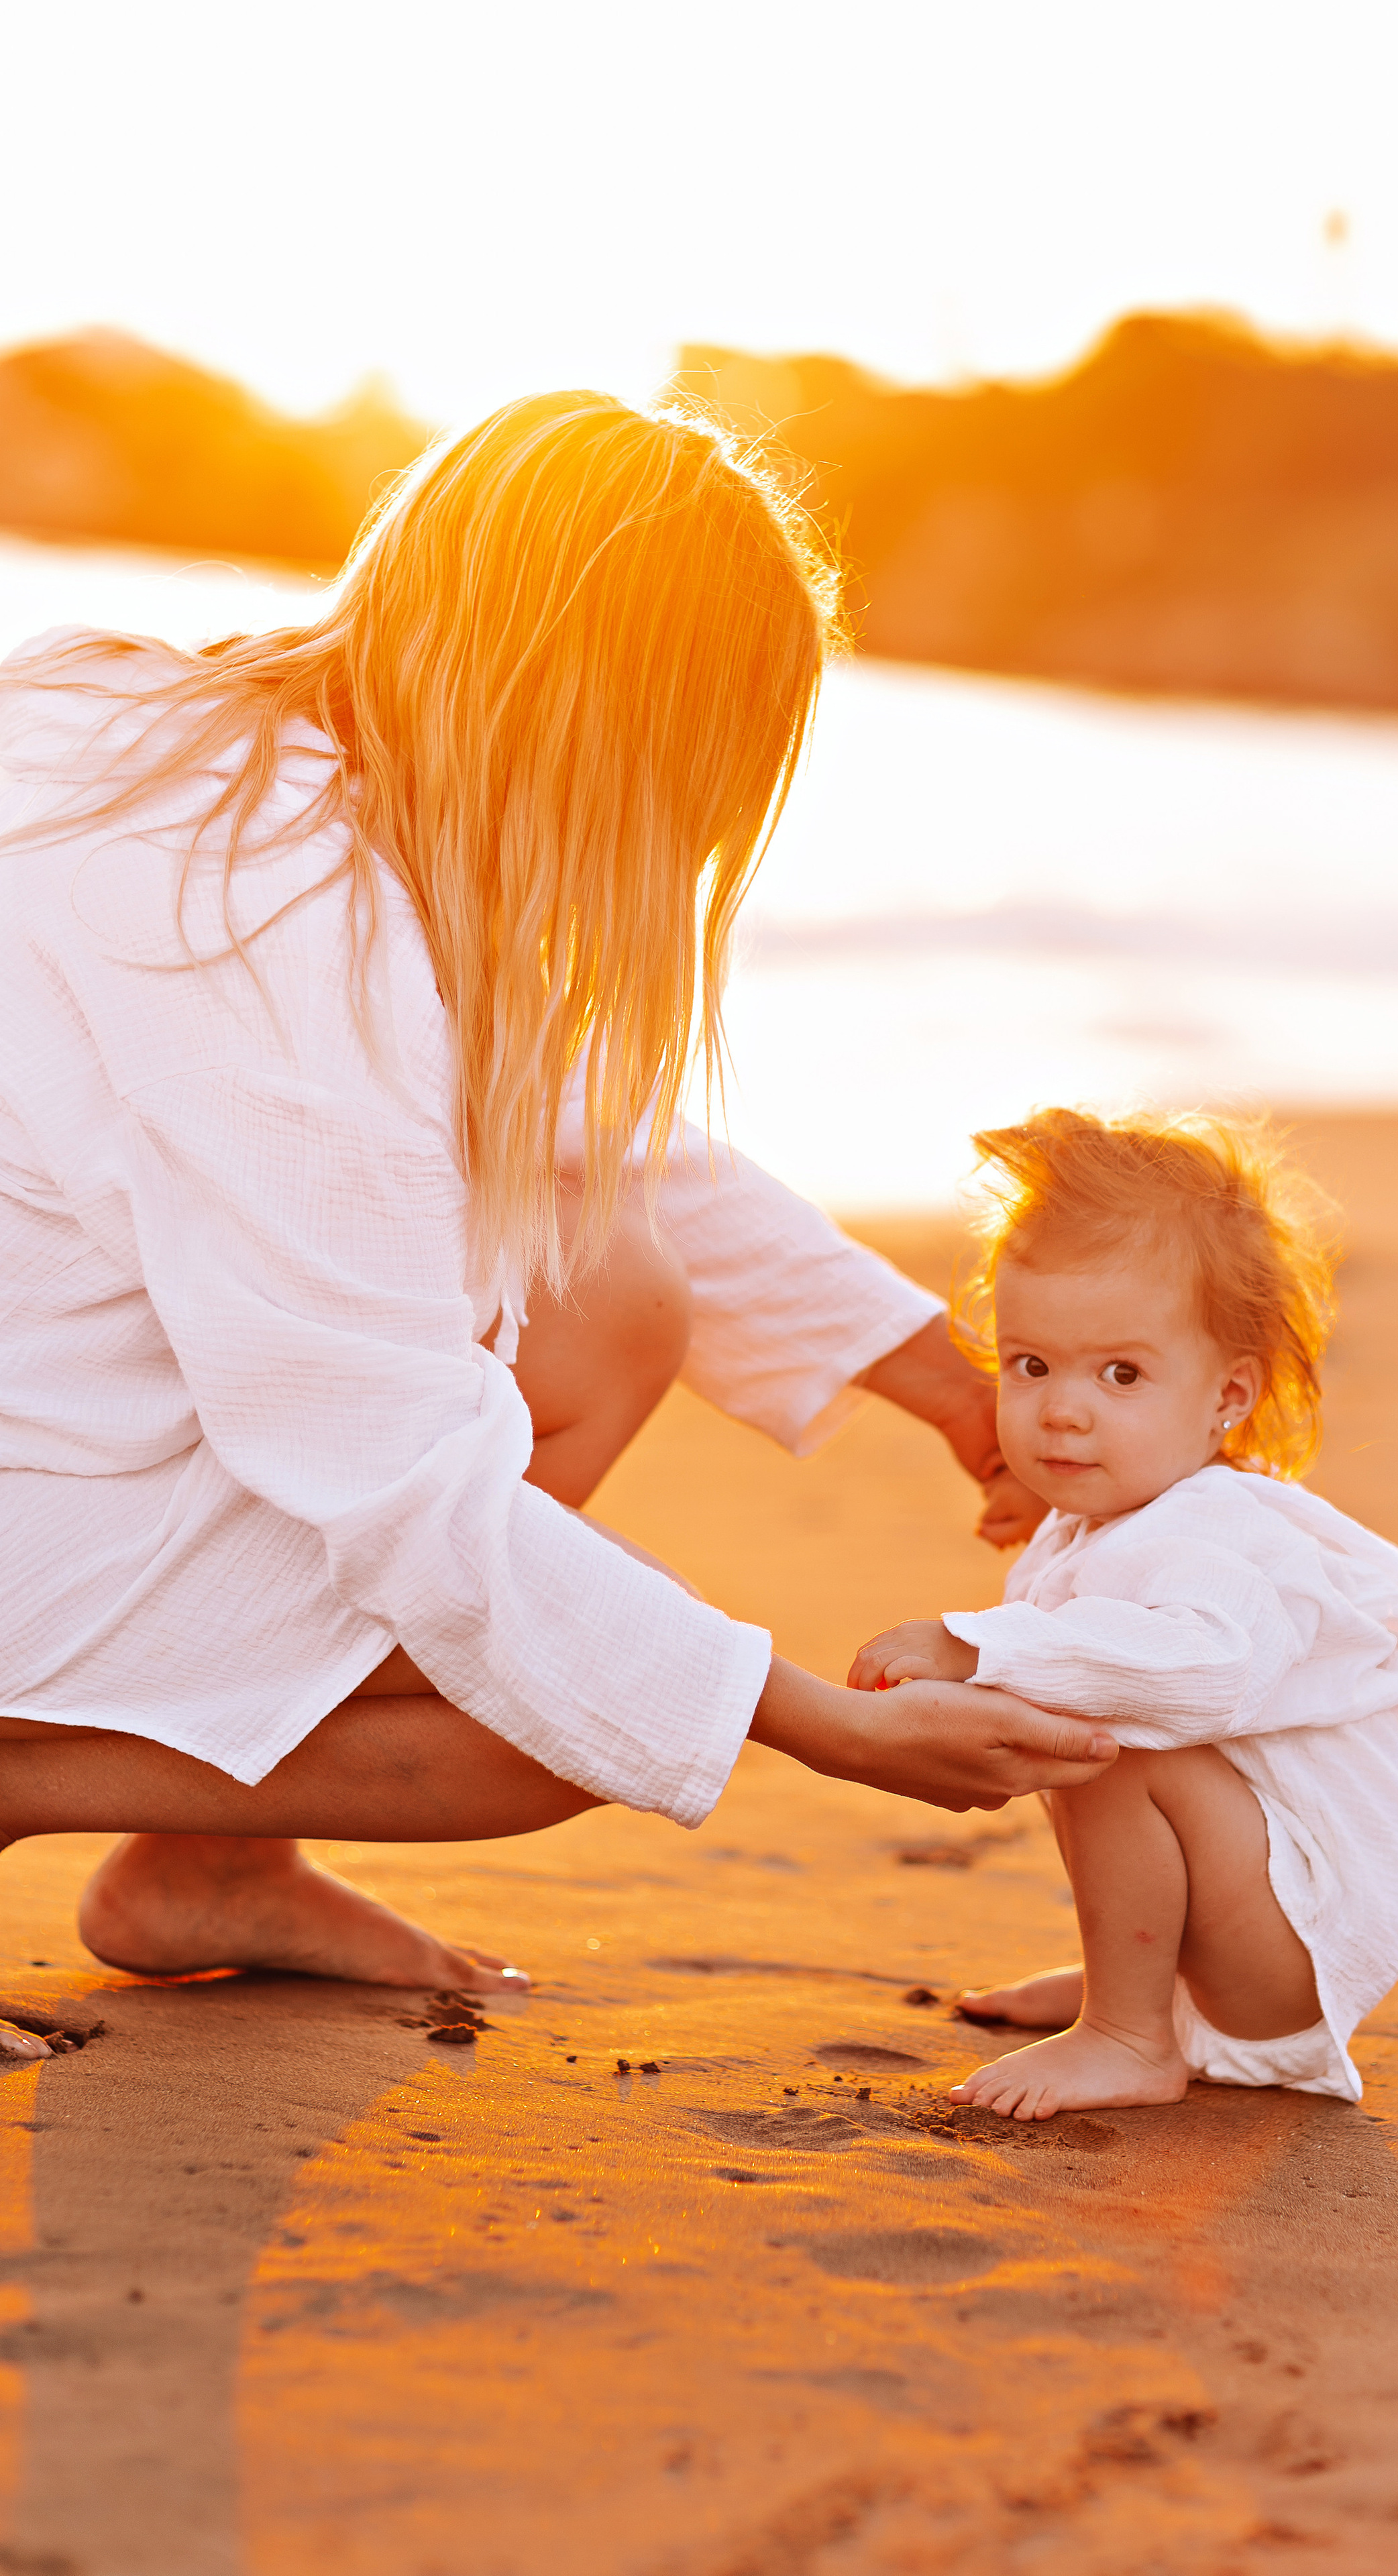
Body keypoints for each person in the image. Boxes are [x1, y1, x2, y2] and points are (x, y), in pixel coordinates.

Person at [0, 393, 1118, 2000]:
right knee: (543, 1726)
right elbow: (389, 1468)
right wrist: (806, 1714)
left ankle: (210, 1865)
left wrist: (951, 1391)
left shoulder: (195, 745)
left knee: (607, 1302)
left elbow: (596, 1136)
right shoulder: (266, 918)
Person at [849, 1107, 1398, 2117]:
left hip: (1298, 1947)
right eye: (1030, 1365)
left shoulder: (1213, 1538)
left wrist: (973, 1647)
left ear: (1227, 1396)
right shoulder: (1140, 1507)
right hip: (1261, 1929)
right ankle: (1141, 1985)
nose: (1063, 1410)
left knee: (1120, 1736)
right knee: (1097, 1710)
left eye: (1121, 1374)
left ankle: (1129, 2035)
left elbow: (1201, 1672)